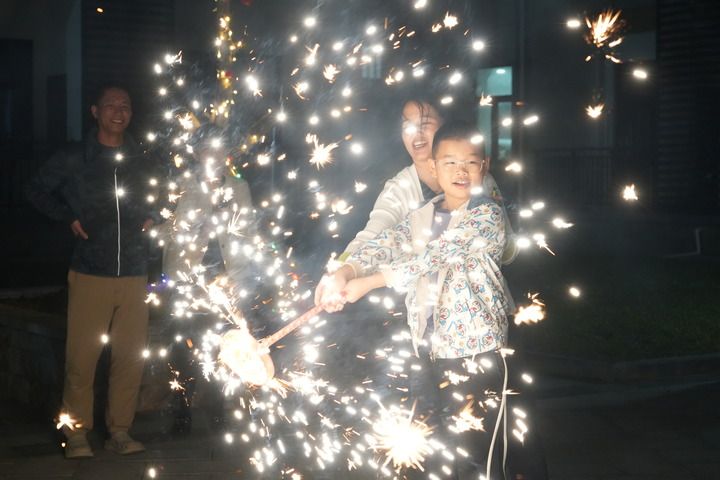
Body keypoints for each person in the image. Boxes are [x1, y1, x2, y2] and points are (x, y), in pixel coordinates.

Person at [324, 122, 513, 478]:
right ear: (433, 167)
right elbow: (385, 243)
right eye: (450, 162)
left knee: (477, 462)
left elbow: (432, 258)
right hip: (427, 351)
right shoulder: (423, 215)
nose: (460, 171)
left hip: (477, 354)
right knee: (434, 456)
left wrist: (370, 283)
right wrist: (346, 272)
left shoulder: (486, 214)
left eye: (470, 163)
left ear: (484, 167)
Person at [26, 85, 164, 458]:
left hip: (134, 272)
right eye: (110, 105)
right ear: (95, 111)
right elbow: (36, 189)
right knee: (81, 360)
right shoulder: (76, 157)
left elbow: (165, 193)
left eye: (125, 105)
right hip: (90, 271)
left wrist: (154, 215)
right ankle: (76, 434)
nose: (119, 111)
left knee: (130, 360)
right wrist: (67, 216)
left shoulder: (142, 159)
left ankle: (120, 430)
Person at [314, 97, 516, 305]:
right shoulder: (409, 197)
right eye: (408, 127)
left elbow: (440, 254)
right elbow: (382, 237)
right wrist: (342, 271)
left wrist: (371, 282)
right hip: (425, 313)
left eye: (425, 124)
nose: (416, 134)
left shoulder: (482, 189)